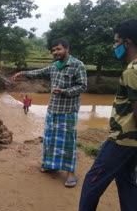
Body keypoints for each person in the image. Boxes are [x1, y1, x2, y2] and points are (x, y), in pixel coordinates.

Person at [11, 38, 87, 188]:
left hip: (68, 111)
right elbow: (38, 72)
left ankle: (70, 173)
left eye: (58, 49)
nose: (55, 52)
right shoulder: (54, 67)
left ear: (67, 49)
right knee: (50, 140)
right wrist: (23, 73)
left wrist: (64, 91)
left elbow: (82, 86)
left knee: (67, 143)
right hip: (52, 109)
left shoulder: (78, 65)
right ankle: (51, 165)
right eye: (53, 50)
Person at [79, 19, 137, 211]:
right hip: (133, 144)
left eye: (116, 41)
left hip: (122, 140)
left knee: (91, 183)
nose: (114, 46)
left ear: (127, 43)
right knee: (126, 182)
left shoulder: (132, 71)